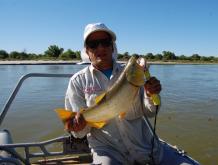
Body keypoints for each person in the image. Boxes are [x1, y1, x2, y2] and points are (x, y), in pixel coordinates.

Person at [64, 23, 199, 165]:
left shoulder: (132, 74)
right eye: (93, 44)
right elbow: (78, 133)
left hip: (148, 148)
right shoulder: (77, 82)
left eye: (105, 42)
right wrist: (76, 126)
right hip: (108, 152)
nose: (101, 48)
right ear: (86, 50)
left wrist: (150, 94)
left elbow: (150, 112)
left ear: (112, 46)